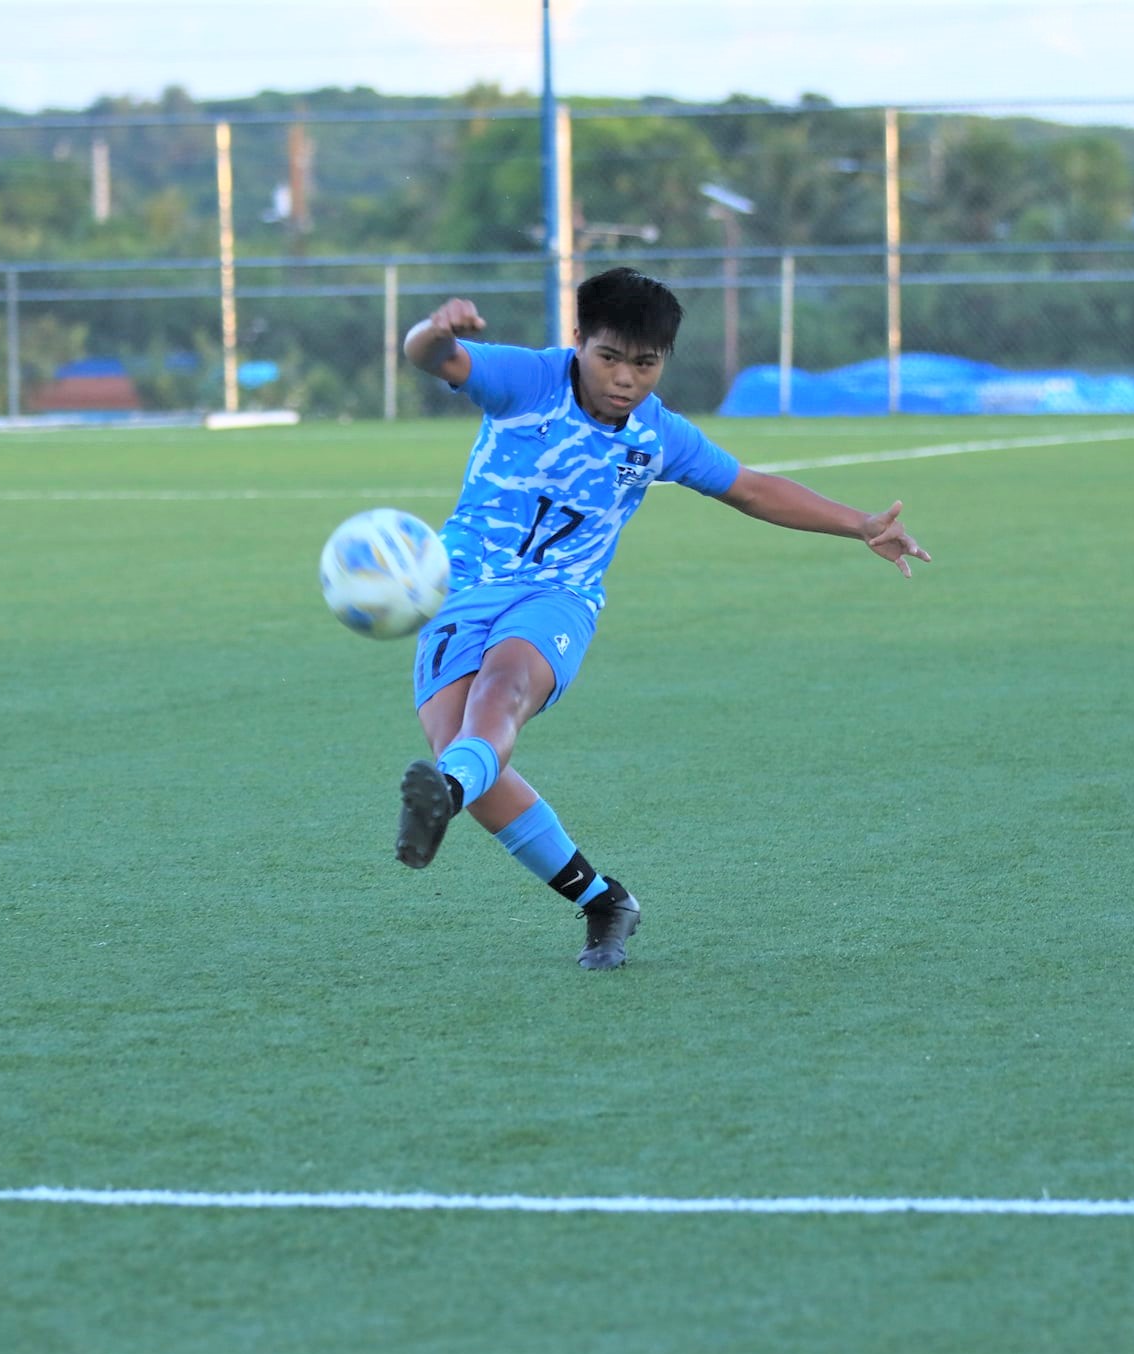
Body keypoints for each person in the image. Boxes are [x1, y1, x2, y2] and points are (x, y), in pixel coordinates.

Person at [396, 267, 930, 970]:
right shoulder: (527, 380)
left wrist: (859, 523)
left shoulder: (658, 435)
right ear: (579, 339)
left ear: (664, 362)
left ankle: (450, 790)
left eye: (644, 363)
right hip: (462, 586)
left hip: (557, 598)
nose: (624, 378)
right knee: (460, 748)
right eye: (609, 357)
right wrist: (437, 330)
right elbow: (430, 357)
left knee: (501, 696)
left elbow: (751, 489)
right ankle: (602, 900)